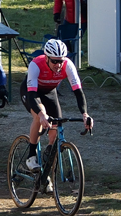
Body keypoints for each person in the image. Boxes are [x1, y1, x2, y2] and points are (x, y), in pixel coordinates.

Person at [20, 39, 92, 171]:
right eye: (54, 61)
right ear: (46, 58)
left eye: (61, 61)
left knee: (56, 125)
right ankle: (31, 156)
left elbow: (78, 92)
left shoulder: (68, 65)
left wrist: (85, 114)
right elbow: (32, 94)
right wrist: (42, 114)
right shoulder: (36, 64)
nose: (58, 65)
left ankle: (47, 162)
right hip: (33, 92)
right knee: (40, 116)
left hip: (50, 92)